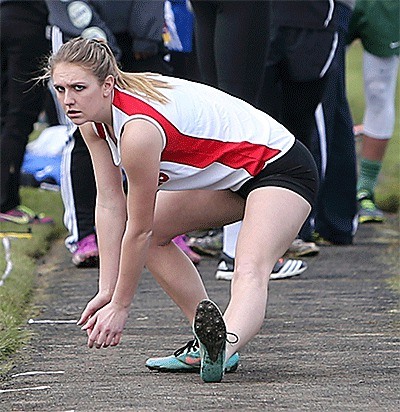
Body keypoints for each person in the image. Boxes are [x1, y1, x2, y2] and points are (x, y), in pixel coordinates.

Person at [45, 37, 318, 383]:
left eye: (78, 88)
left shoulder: (138, 131)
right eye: (60, 89)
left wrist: (122, 306)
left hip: (279, 169)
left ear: (107, 84)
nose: (68, 100)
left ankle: (227, 346)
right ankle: (207, 341)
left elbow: (137, 230)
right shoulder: (91, 122)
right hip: (229, 178)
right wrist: (107, 290)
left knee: (248, 268)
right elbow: (110, 204)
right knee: (156, 233)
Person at [45, 0, 175, 267]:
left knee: (160, 131)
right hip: (80, 28)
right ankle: (85, 233)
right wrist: (93, 31)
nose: (66, 98)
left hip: (138, 32)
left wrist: (146, 30)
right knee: (83, 132)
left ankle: (169, 224)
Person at [258, 0, 339, 251]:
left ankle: (299, 227)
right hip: (256, 19)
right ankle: (237, 228)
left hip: (312, 23)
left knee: (301, 130)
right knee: (255, 127)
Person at [307, 0, 358, 245]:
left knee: (318, 111)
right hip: (300, 12)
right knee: (328, 108)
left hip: (318, 11)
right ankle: (333, 220)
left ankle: (308, 221)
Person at [0, 0, 53, 224]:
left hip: (6, 15)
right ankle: (5, 203)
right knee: (19, 116)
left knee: (6, 114)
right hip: (28, 21)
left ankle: (7, 199)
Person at [347, 0, 399, 223]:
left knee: (380, 90)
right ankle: (323, 188)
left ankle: (365, 190)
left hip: (381, 5)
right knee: (317, 86)